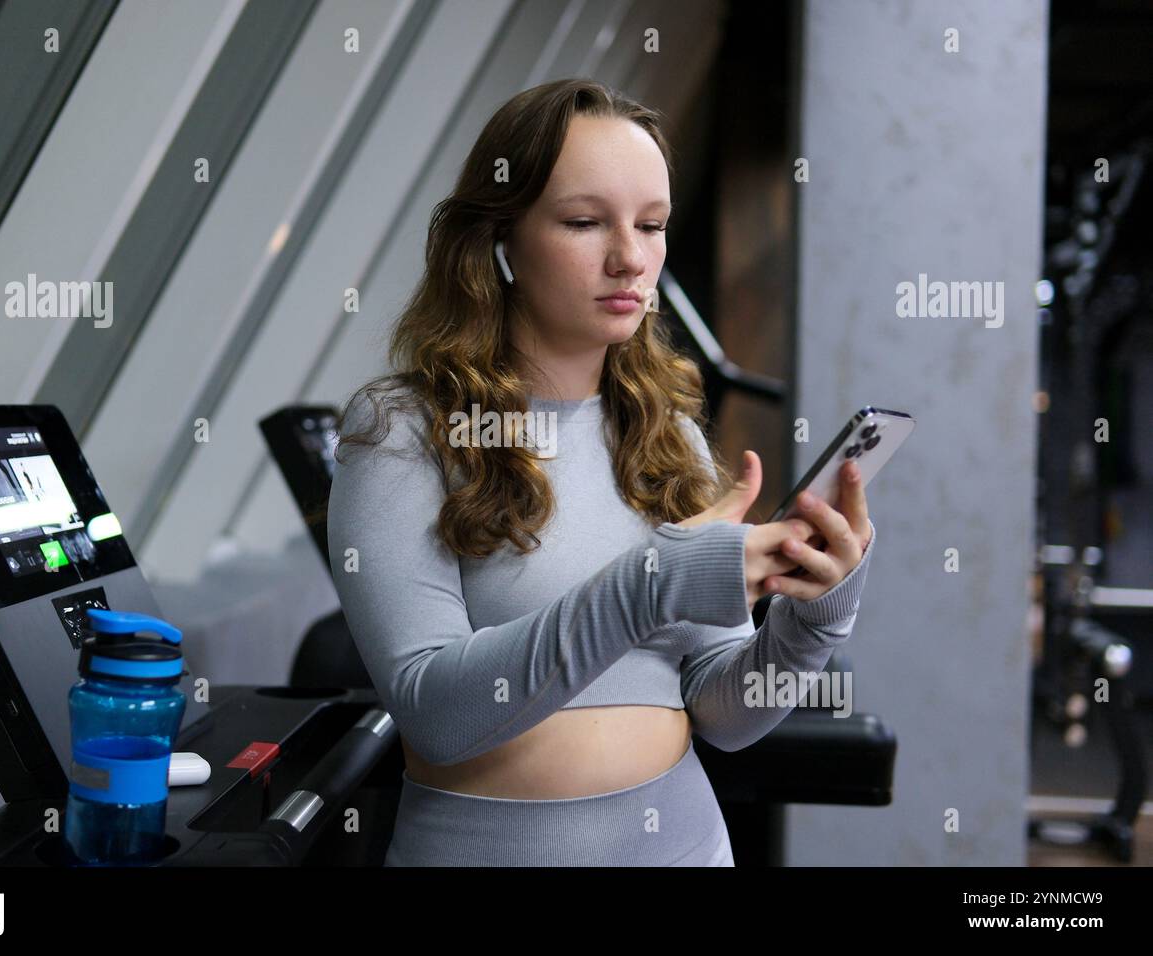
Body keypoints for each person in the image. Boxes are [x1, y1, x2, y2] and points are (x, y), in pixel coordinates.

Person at [324, 78, 875, 867]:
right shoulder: (401, 432)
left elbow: (726, 713)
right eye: (584, 222)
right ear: (499, 240)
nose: (630, 258)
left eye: (651, 225)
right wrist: (653, 582)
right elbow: (432, 715)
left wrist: (816, 616)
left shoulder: (667, 432)